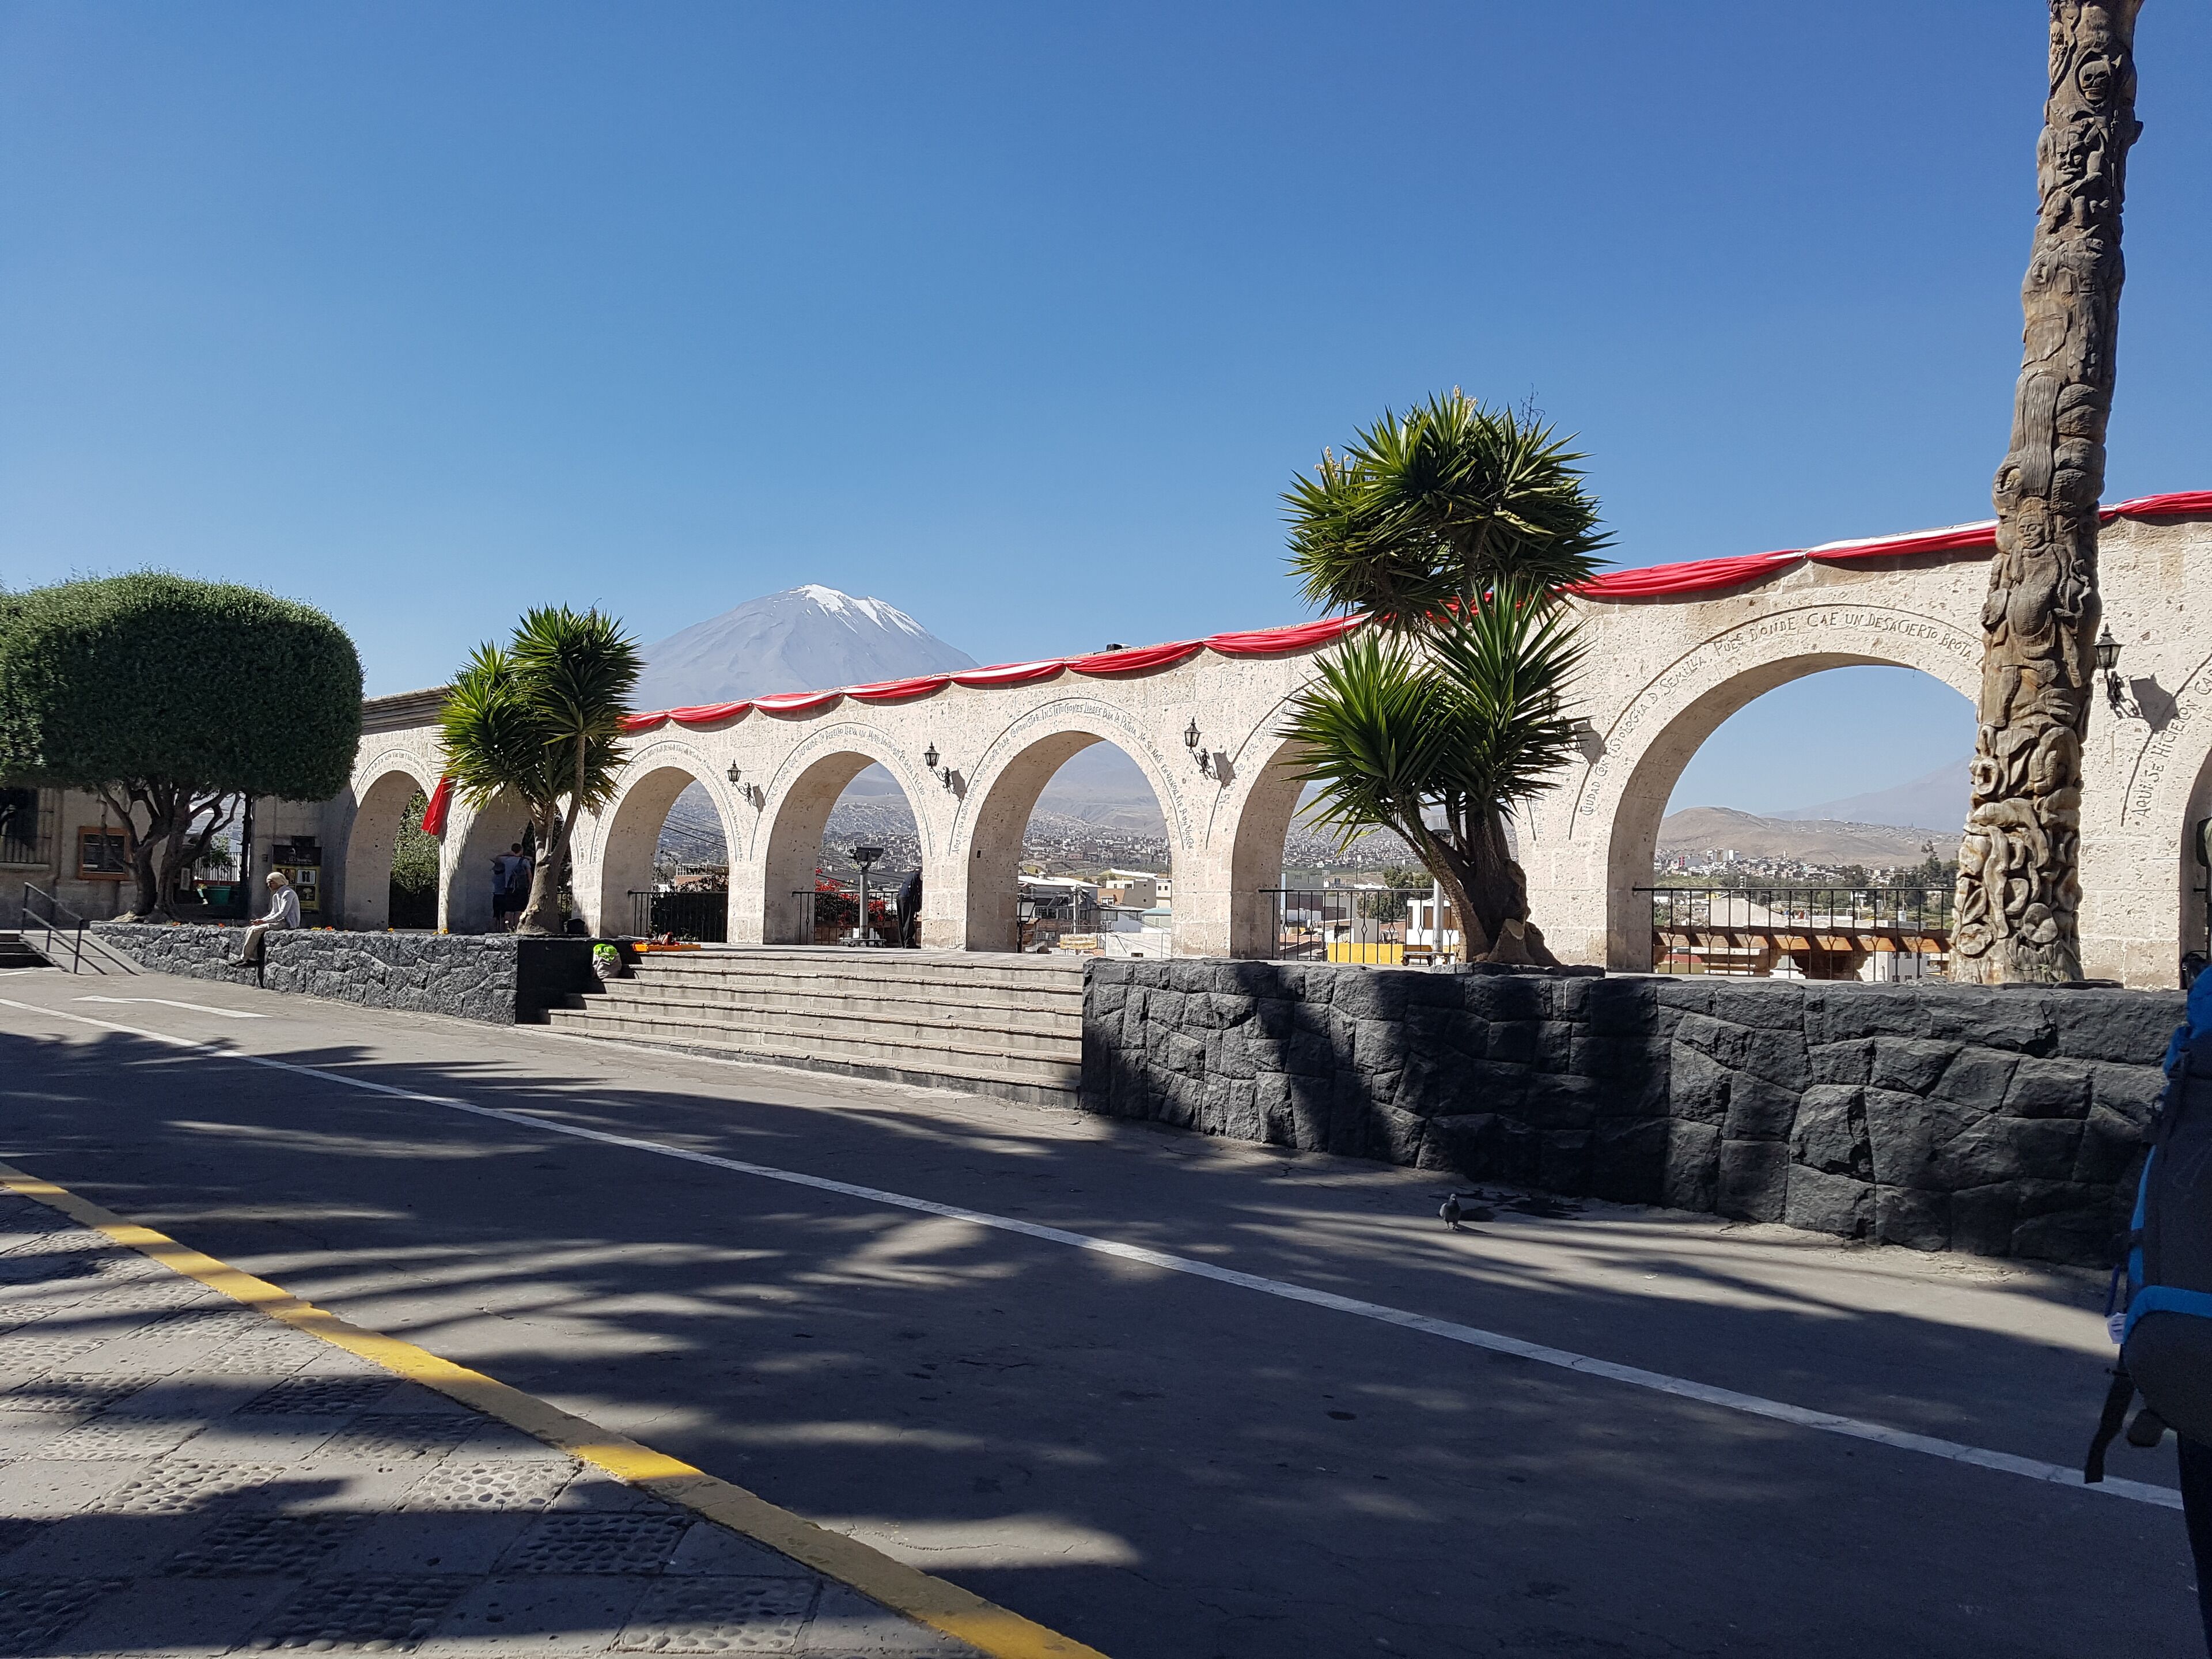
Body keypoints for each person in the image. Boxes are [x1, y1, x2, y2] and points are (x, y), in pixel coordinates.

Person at [227, 871, 301, 967]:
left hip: (288, 923)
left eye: (272, 882)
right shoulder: (276, 895)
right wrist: (261, 920)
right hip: (279, 921)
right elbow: (274, 913)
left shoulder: (287, 894)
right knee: (251, 929)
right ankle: (251, 958)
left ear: (279, 882)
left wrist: (265, 922)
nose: (269, 885)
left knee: (256, 930)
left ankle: (245, 958)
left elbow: (282, 913)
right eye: (268, 883)